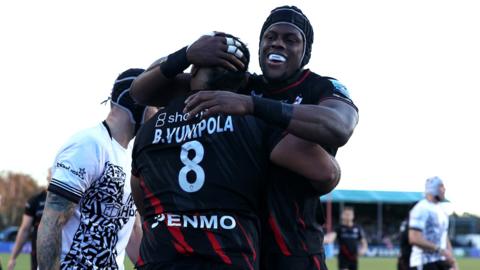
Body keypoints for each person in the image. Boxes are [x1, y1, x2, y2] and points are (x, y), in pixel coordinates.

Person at [130, 6, 359, 270]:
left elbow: (340, 127)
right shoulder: (242, 86)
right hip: (244, 245)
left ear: (305, 53)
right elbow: (143, 93)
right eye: (270, 37)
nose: (278, 44)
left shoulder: (319, 87)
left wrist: (253, 106)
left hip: (294, 245)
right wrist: (186, 54)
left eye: (290, 39)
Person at [37, 68, 156, 270]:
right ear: (139, 104)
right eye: (155, 104)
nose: (159, 113)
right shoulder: (89, 145)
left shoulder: (130, 157)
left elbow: (132, 231)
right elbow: (52, 222)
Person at [408, 177, 458, 270]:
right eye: (441, 186)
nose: (444, 189)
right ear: (432, 188)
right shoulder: (421, 208)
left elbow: (444, 236)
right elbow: (414, 238)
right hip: (424, 263)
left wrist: (452, 259)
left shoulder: (441, 209)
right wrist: (440, 250)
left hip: (440, 261)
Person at [7, 168, 51, 270]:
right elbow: (24, 229)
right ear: (48, 177)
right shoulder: (35, 201)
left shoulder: (67, 200)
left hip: (63, 252)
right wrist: (13, 257)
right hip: (38, 253)